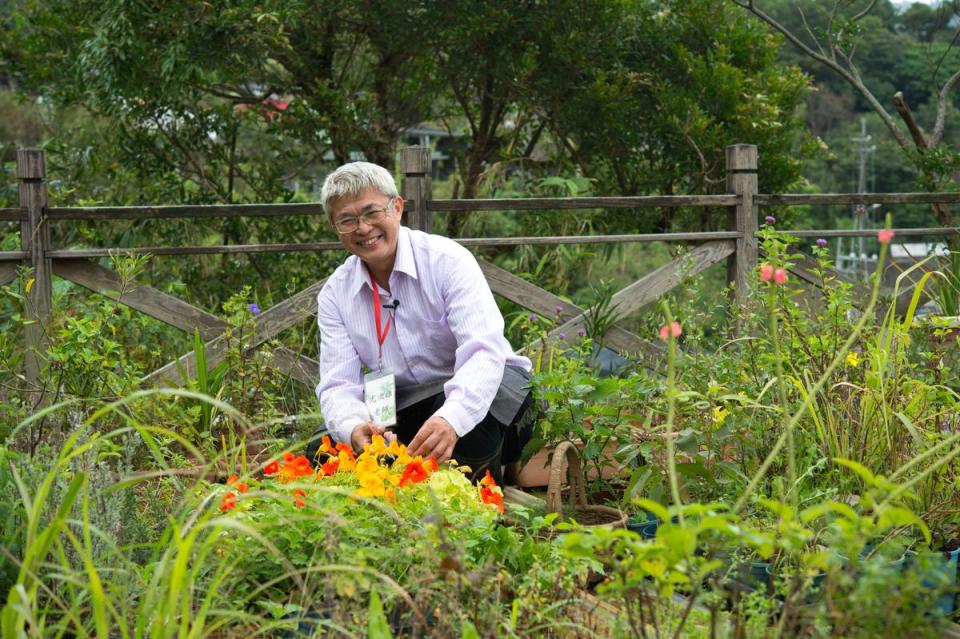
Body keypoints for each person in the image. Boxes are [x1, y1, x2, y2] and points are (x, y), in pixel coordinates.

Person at [311, 161, 534, 483]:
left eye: (372, 212)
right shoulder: (336, 293)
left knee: (469, 418)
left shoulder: (448, 261)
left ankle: (477, 511)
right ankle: (389, 513)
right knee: (321, 449)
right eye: (347, 220)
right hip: (405, 405)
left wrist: (452, 418)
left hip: (493, 394)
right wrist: (355, 427)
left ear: (397, 207)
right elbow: (338, 384)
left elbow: (484, 353)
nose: (362, 228)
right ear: (336, 227)